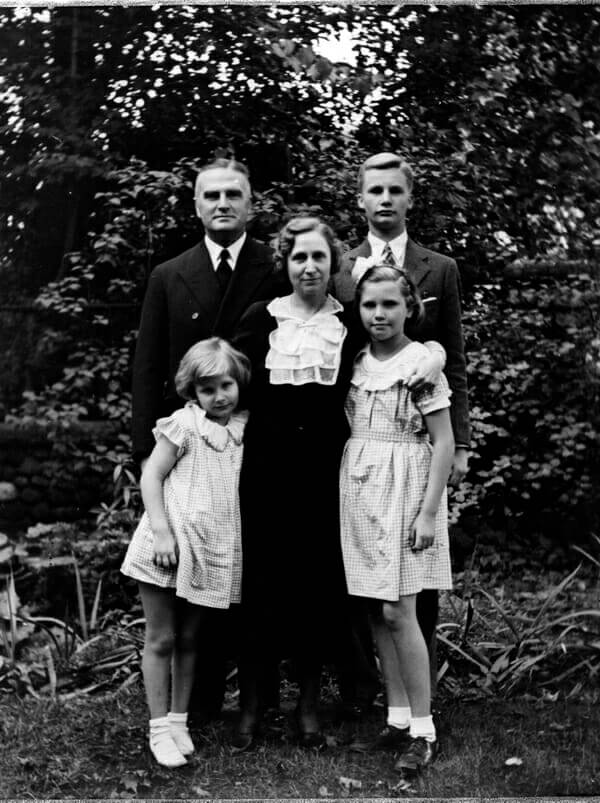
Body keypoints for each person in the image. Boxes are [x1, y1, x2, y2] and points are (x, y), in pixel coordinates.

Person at [231, 217, 446, 751]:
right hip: (267, 471)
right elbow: (227, 381)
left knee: (317, 588)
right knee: (262, 585)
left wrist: (437, 353)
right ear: (284, 263)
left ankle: (308, 705)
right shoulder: (261, 319)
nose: (309, 267)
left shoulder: (350, 322)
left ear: (335, 266)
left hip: (330, 474)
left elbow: (406, 342)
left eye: (319, 258)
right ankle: (253, 703)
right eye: (299, 257)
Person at [131, 158, 287, 717]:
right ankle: (192, 705)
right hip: (188, 451)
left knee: (247, 570)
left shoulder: (276, 267)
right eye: (211, 195)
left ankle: (256, 702)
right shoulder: (170, 274)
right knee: (189, 571)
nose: (223, 203)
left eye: (233, 194)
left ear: (251, 204)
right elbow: (148, 367)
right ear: (196, 205)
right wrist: (145, 453)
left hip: (253, 443)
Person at [334, 152, 470, 705]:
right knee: (370, 596)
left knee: (412, 595)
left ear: (410, 198)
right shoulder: (339, 267)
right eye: (375, 190)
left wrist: (460, 444)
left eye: (395, 190)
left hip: (413, 448)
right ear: (361, 199)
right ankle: (378, 702)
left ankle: (420, 704)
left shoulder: (439, 266)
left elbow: (452, 354)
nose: (385, 199)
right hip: (361, 446)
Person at [340, 261, 454, 776]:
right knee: (374, 608)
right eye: (369, 305)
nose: (379, 314)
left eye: (390, 304)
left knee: (399, 610)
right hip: (360, 487)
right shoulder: (357, 360)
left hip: (406, 487)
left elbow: (444, 442)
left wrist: (428, 513)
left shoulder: (420, 364)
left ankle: (424, 731)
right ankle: (397, 716)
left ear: (410, 307)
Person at [121, 337, 251, 767]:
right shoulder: (184, 424)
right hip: (168, 546)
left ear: (239, 383)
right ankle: (158, 729)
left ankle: (179, 721)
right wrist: (161, 531)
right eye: (207, 389)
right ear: (192, 392)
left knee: (192, 638)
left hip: (208, 549)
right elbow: (151, 477)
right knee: (162, 638)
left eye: (226, 385)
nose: (219, 396)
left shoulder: (242, 430)